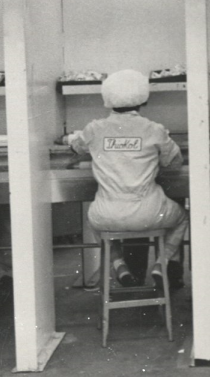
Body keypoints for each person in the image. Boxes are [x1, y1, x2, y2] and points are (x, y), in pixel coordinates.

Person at [67, 69, 188, 289]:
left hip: (107, 214)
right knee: (182, 218)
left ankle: (119, 264)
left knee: (94, 218)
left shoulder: (95, 129)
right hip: (149, 212)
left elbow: (76, 148)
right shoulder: (154, 130)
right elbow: (175, 162)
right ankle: (162, 263)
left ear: (107, 99)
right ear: (144, 99)